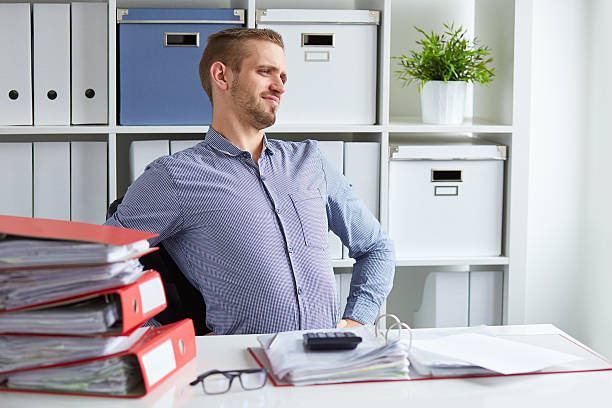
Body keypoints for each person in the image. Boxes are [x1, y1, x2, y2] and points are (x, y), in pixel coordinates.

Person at [105, 28, 395, 335]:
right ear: (222, 76)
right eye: (265, 72)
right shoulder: (174, 177)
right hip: (239, 370)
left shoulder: (310, 161)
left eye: (283, 77)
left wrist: (355, 321)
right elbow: (101, 267)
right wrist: (160, 336)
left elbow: (377, 248)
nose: (279, 86)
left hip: (325, 363)